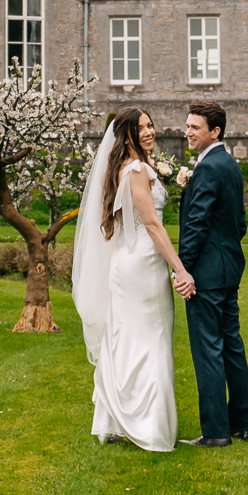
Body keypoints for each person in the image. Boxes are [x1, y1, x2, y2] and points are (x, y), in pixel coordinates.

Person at [70, 107, 194, 451]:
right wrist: (180, 268)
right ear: (127, 135)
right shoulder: (137, 169)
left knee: (127, 337)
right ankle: (151, 428)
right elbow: (153, 225)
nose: (150, 132)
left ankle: (114, 418)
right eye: (142, 128)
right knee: (151, 339)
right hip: (143, 264)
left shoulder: (127, 168)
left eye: (151, 125)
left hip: (129, 262)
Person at [176, 101, 248, 447]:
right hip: (230, 268)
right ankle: (239, 424)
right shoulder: (229, 163)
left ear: (214, 132)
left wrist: (182, 268)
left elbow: (196, 224)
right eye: (187, 126)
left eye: (195, 127)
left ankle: (216, 432)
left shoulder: (207, 168)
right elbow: (241, 225)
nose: (187, 132)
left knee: (208, 349)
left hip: (206, 273)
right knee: (232, 346)